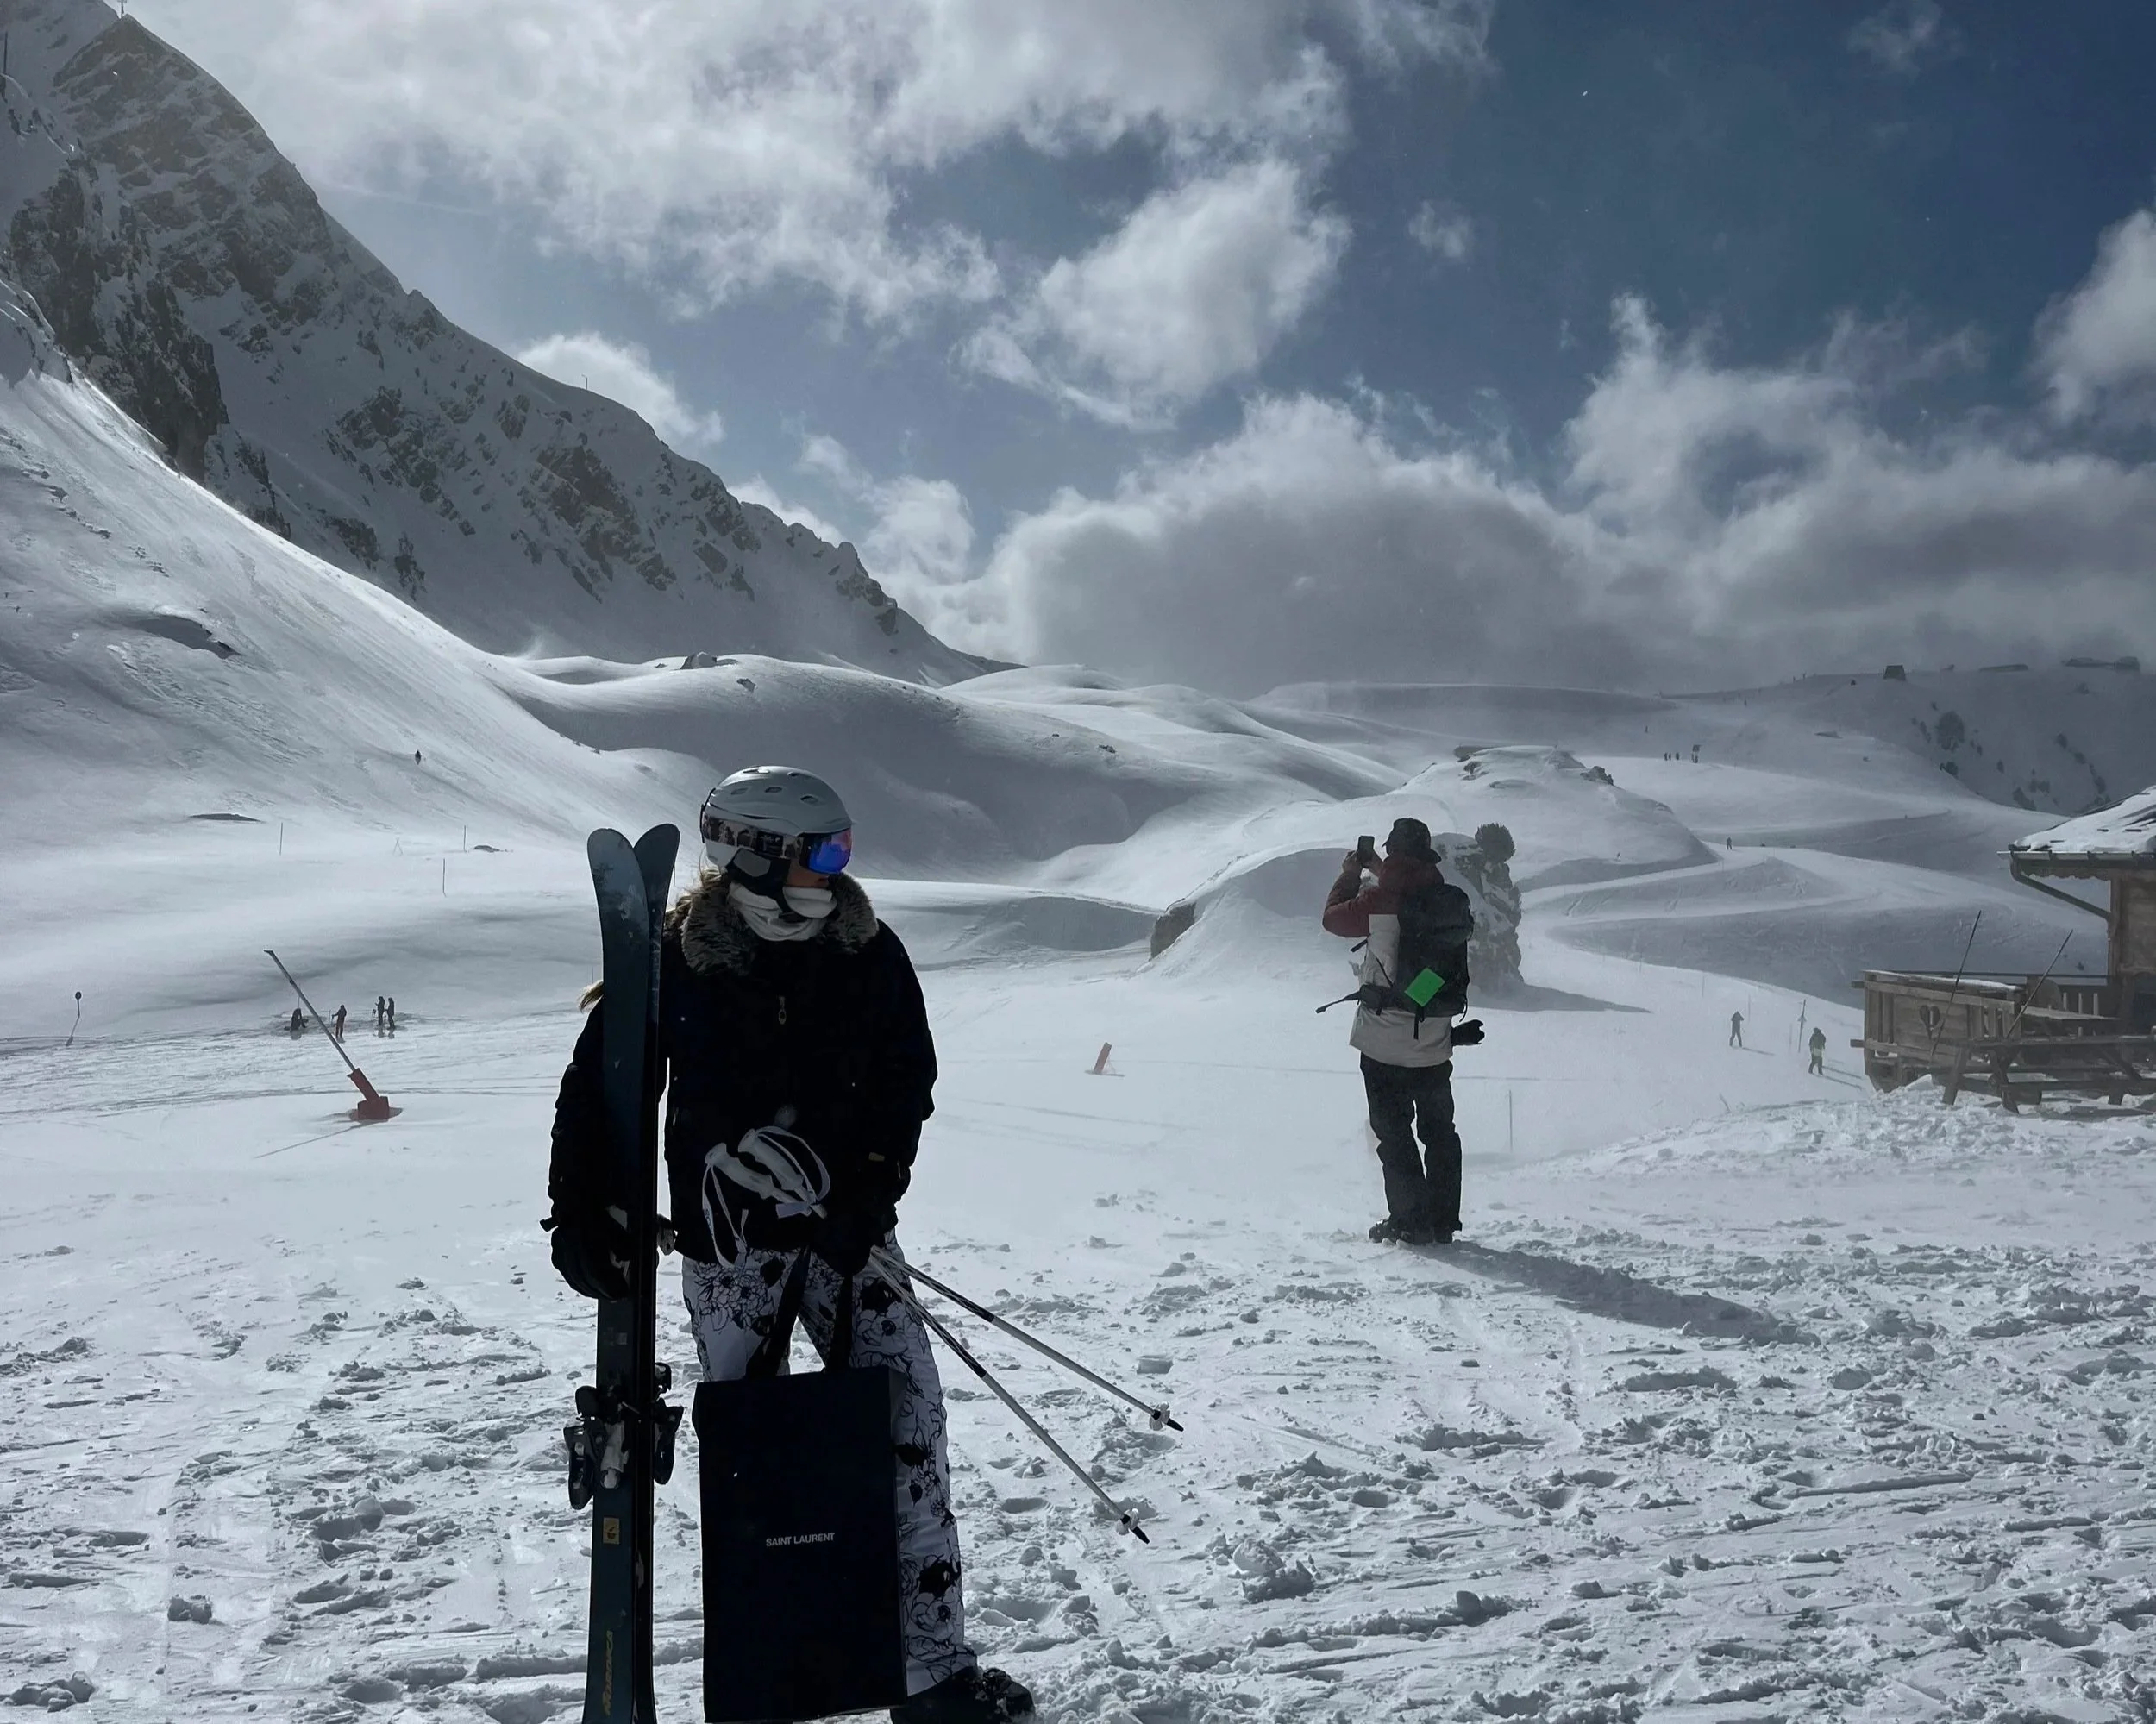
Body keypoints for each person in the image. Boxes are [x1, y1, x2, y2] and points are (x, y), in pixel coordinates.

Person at [546, 766, 1032, 1724]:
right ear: (753, 855)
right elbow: (600, 1090)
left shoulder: (864, 948)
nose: (835, 875)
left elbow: (906, 1080)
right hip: (731, 1252)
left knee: (906, 1432)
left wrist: (868, 1193)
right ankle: (765, 1672)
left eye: (840, 853)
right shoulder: (682, 959)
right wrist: (581, 1207)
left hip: (855, 1244)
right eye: (820, 856)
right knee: (755, 1459)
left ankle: (930, 1677)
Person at [1322, 817, 1476, 1246]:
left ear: (1393, 852)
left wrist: (1351, 872)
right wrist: (1377, 865)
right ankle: (1443, 1221)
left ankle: (1409, 1222)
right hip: (1434, 1041)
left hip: (1383, 1043)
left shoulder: (1380, 900)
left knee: (1395, 1134)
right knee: (1440, 1134)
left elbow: (1332, 919)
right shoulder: (1445, 899)